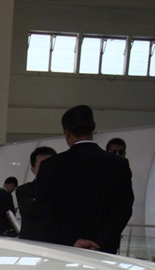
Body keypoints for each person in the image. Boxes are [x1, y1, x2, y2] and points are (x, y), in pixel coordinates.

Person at [34, 105, 134, 253]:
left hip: (63, 250)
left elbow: (43, 210)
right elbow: (123, 209)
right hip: (104, 250)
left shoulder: (51, 166)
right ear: (93, 127)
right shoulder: (119, 164)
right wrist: (101, 241)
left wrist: (71, 239)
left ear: (66, 132)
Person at [16, 146, 56, 242]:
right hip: (32, 244)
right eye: (42, 165)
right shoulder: (24, 190)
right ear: (33, 169)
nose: (47, 169)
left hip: (59, 245)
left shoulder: (65, 189)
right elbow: (35, 212)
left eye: (51, 164)